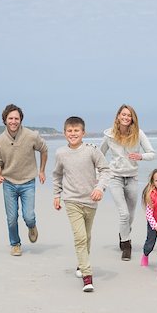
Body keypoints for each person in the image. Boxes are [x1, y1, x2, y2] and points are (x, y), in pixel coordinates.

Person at [53, 116, 111, 293]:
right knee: (80, 237)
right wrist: (56, 195)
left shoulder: (91, 150)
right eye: (69, 131)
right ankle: (87, 275)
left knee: (86, 235)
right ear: (64, 133)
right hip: (71, 200)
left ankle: (80, 263)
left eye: (76, 131)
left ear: (83, 132)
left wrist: (100, 188)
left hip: (91, 200)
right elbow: (57, 175)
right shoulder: (61, 153)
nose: (73, 134)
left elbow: (105, 170)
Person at [100, 104, 155, 261]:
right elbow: (99, 154)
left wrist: (141, 157)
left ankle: (123, 232)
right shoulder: (109, 135)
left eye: (129, 115)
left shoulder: (138, 134)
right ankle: (126, 244)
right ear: (118, 116)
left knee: (130, 216)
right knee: (123, 214)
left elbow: (152, 153)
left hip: (132, 178)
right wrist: (100, 176)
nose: (126, 117)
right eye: (123, 114)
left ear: (132, 119)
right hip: (115, 177)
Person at [0, 104, 48, 256]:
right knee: (11, 218)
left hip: (28, 182)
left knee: (28, 216)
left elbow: (44, 149)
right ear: (5, 120)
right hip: (9, 183)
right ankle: (15, 244)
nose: (13, 121)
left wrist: (42, 170)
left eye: (16, 118)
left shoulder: (31, 136)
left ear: (21, 120)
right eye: (10, 118)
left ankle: (32, 226)